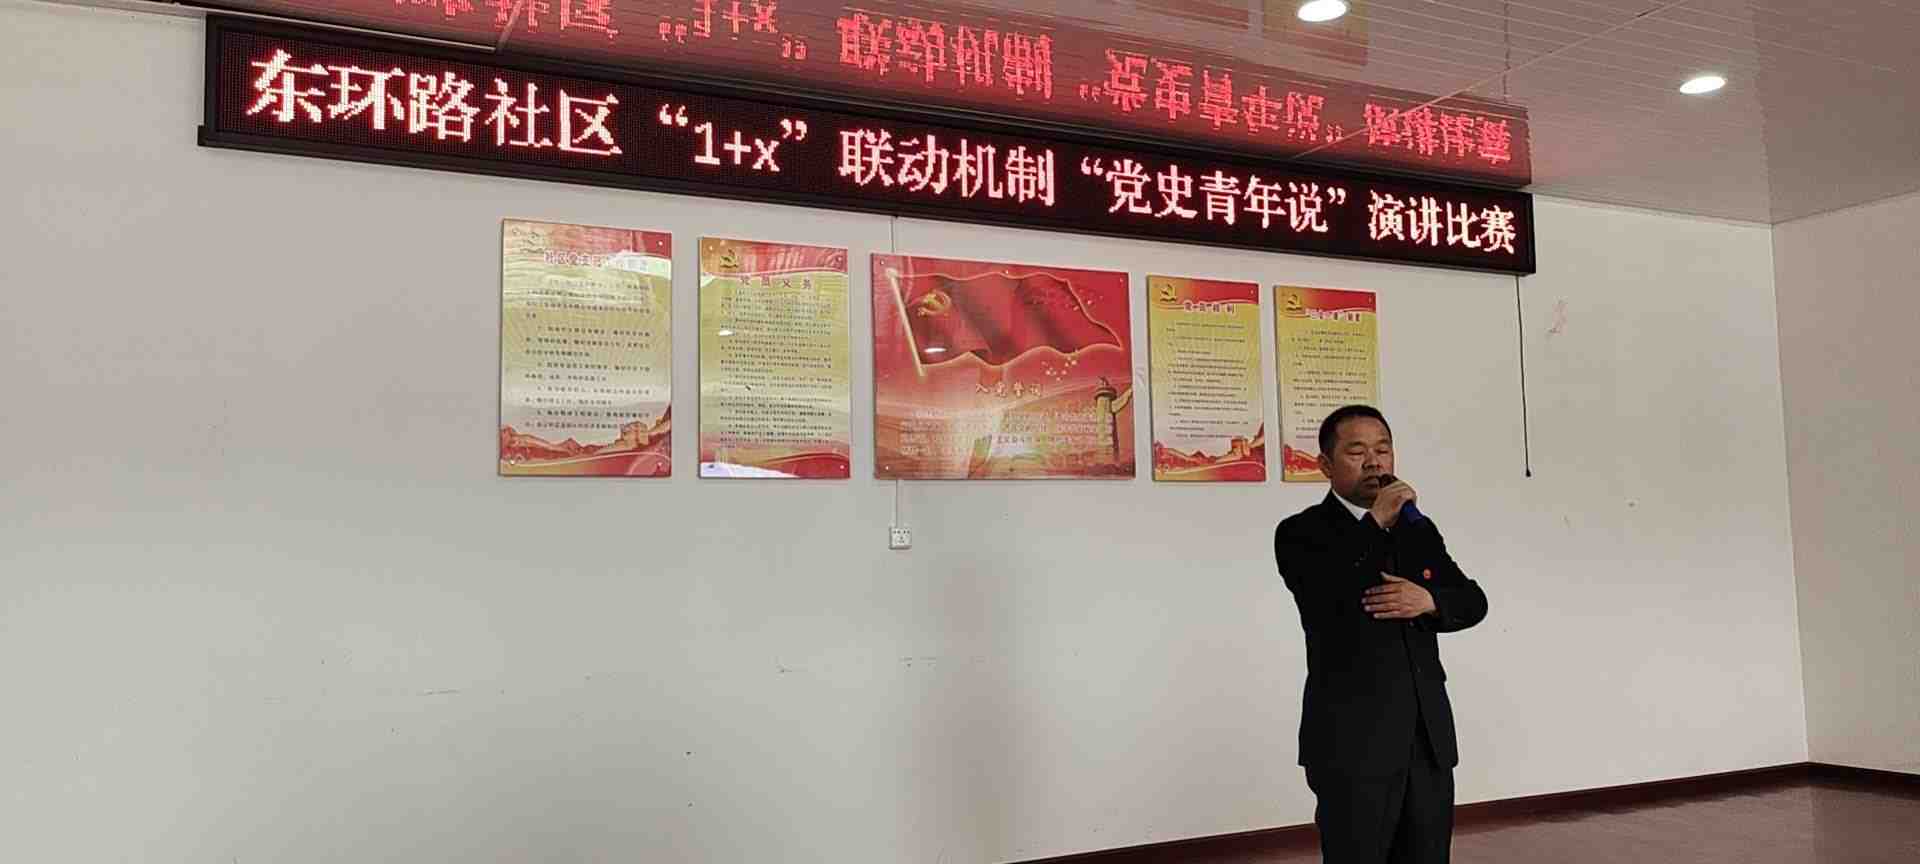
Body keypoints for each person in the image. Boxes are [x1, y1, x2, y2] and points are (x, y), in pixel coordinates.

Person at [1273, 405, 1488, 864]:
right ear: (1325, 465)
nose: (1374, 462)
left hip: (1426, 741)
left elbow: (1473, 601)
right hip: (1352, 744)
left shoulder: (1417, 530)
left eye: (1383, 449)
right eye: (1357, 452)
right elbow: (1327, 598)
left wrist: (1429, 601)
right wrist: (1374, 523)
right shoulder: (1300, 533)